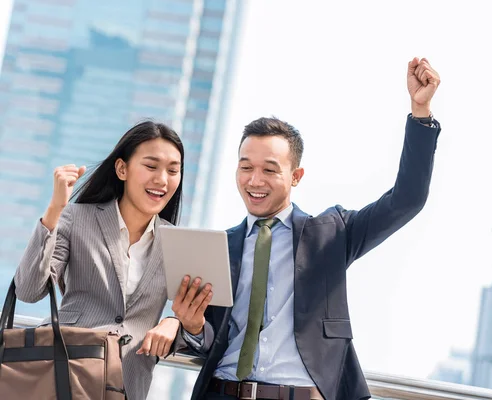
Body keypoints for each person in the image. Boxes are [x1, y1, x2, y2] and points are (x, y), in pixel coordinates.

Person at [180, 56, 442, 400]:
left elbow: (407, 199)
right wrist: (191, 325)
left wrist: (420, 112)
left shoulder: (332, 235)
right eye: (246, 167)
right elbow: (208, 342)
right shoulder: (220, 249)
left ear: (296, 177)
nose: (254, 180)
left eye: (270, 170)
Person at [14, 121, 213, 400]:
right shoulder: (76, 218)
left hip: (127, 387)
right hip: (61, 378)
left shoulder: (179, 244)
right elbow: (28, 289)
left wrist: (176, 322)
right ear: (122, 169)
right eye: (151, 166)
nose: (162, 180)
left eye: (173, 170)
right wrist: (55, 210)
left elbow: (201, 334)